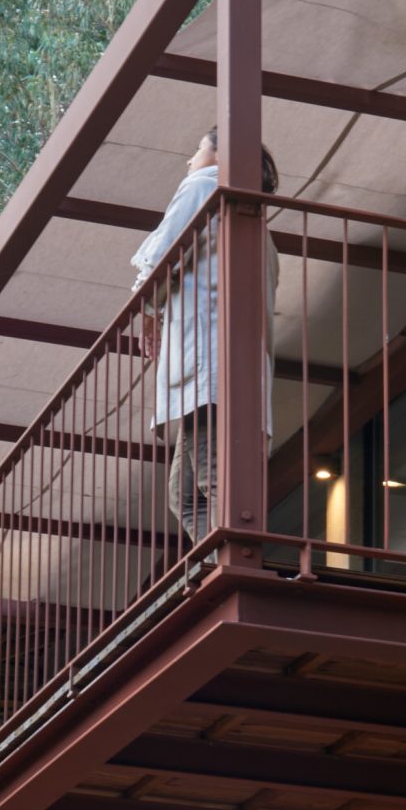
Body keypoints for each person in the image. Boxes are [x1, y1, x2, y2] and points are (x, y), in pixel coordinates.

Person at [131, 128, 281, 546]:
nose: (190, 160)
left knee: (213, 480)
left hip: (209, 368)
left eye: (197, 149)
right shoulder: (255, 223)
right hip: (233, 370)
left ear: (219, 155)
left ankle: (233, 560)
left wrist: (147, 310)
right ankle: (216, 562)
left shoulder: (204, 185)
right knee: (185, 493)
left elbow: (162, 255)